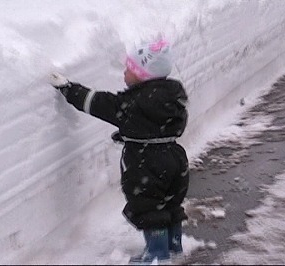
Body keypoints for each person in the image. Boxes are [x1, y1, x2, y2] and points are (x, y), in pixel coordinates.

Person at [49, 39, 189, 264]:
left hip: (146, 162)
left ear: (143, 75)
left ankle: (157, 254)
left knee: (149, 206)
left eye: (130, 69)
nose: (124, 72)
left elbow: (96, 103)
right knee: (170, 201)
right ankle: (174, 245)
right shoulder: (172, 97)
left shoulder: (133, 104)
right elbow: (157, 126)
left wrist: (68, 88)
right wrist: (131, 134)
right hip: (174, 157)